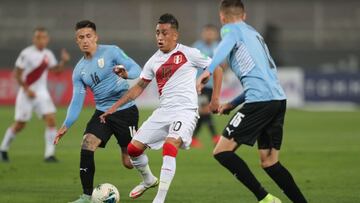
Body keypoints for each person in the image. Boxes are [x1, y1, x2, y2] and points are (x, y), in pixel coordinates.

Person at [100, 13, 222, 203]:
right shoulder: (153, 61)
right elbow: (139, 87)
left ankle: (160, 199)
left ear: (175, 35)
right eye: (157, 33)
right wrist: (114, 107)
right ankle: (148, 180)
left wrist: (215, 99)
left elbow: (218, 67)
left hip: (186, 111)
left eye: (164, 33)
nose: (160, 37)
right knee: (133, 149)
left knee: (169, 145)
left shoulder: (188, 53)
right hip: (163, 111)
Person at [197, 0, 308, 203]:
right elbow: (261, 79)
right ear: (244, 15)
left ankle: (264, 198)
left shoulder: (230, 31)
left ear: (222, 18)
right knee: (270, 162)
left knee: (222, 152)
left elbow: (225, 46)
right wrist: (231, 103)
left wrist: (208, 70)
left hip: (260, 102)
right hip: (277, 100)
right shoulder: (254, 34)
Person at [53, 20, 142, 203]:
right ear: (76, 41)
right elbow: (76, 101)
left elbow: (136, 69)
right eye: (80, 37)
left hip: (125, 111)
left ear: (96, 37)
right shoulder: (79, 71)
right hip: (103, 114)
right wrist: (66, 125)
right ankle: (86, 196)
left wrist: (127, 74)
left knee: (128, 162)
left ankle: (146, 173)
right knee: (87, 144)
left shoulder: (111, 51)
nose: (85, 40)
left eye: (88, 36)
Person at [0, 27, 70, 163]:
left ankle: (49, 155)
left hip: (42, 93)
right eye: (38, 37)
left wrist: (64, 61)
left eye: (43, 37)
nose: (41, 40)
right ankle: (3, 149)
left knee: (51, 120)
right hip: (26, 93)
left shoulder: (48, 54)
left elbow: (56, 71)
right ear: (34, 39)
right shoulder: (26, 53)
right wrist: (26, 89)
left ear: (47, 39)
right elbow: (17, 74)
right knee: (20, 124)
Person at [192, 24, 221, 147]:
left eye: (211, 33)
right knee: (204, 110)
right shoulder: (196, 47)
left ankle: (192, 138)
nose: (209, 35)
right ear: (203, 34)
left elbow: (222, 65)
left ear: (215, 34)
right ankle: (215, 137)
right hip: (200, 85)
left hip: (212, 85)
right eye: (207, 32)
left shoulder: (218, 47)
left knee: (205, 111)